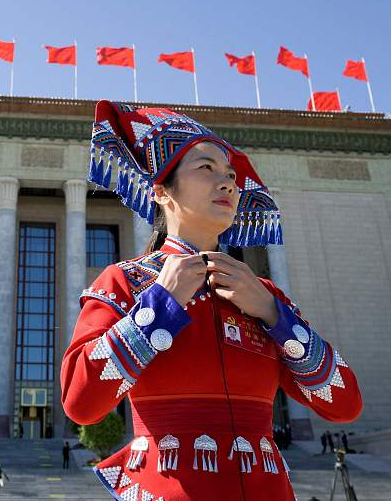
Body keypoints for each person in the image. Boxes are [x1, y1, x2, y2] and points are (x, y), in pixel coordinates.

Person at [61, 101, 364, 501]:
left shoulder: (263, 295)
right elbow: (81, 403)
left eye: (231, 176)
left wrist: (276, 316)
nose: (227, 184)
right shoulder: (127, 282)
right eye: (206, 169)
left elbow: (344, 405)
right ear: (161, 191)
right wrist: (159, 307)